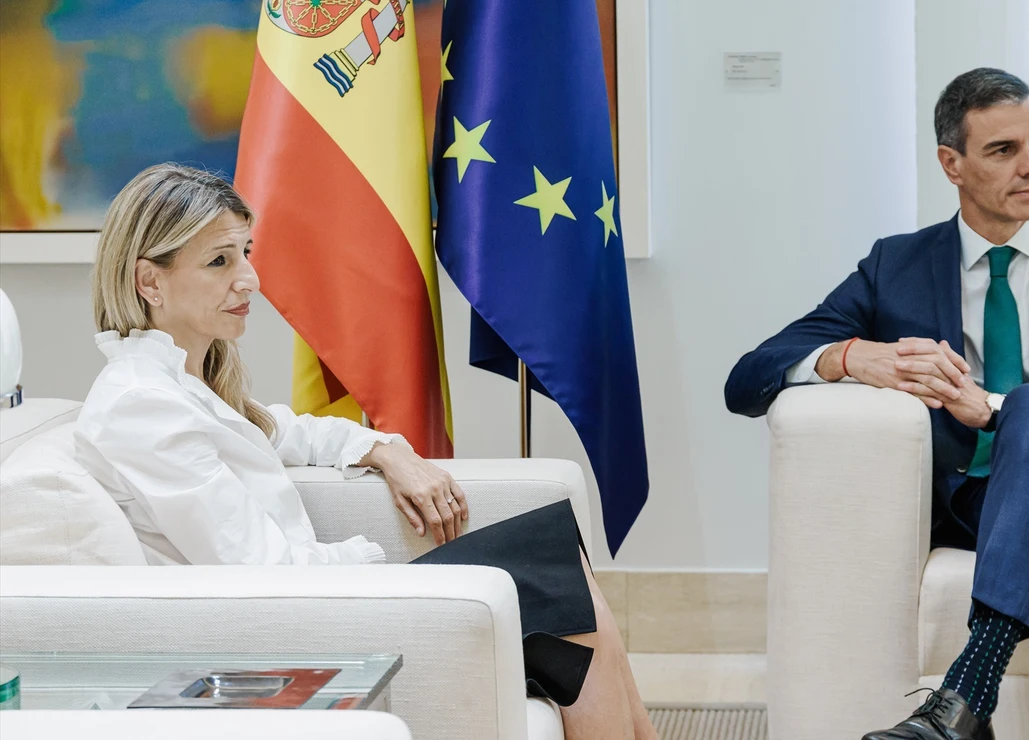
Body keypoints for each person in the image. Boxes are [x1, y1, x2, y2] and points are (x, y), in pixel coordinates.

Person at [76, 163, 657, 740]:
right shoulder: (140, 404)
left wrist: (383, 448)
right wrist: (380, 557)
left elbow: (288, 431)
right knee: (554, 575)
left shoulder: (183, 384)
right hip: (291, 624)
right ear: (149, 282)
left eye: (246, 252)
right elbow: (259, 573)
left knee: (559, 568)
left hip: (322, 600)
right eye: (220, 261)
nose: (249, 278)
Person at [725, 68, 1029, 740]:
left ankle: (968, 688)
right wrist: (847, 355)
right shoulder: (896, 266)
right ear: (951, 163)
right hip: (993, 502)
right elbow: (746, 380)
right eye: (1004, 150)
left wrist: (996, 408)